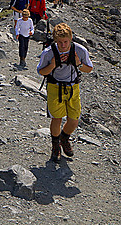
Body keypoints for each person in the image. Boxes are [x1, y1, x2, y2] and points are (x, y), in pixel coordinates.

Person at [37, 23, 94, 162]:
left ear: (71, 38)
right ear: (55, 41)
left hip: (73, 87)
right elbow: (41, 71)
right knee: (56, 118)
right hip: (55, 87)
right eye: (60, 42)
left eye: (66, 42)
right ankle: (55, 145)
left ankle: (64, 137)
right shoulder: (48, 52)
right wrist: (52, 65)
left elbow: (89, 69)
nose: (63, 45)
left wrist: (78, 63)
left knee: (73, 120)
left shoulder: (79, 50)